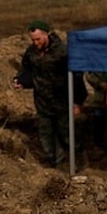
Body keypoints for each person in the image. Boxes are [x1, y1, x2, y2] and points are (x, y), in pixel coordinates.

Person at [13, 21, 84, 167]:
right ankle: (55, 163)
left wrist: (78, 101)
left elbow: (76, 77)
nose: (36, 43)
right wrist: (21, 81)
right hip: (42, 103)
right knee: (46, 136)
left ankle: (79, 161)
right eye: (33, 40)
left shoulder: (63, 52)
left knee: (66, 134)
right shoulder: (31, 52)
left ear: (46, 34)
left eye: (38, 39)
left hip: (62, 102)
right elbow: (27, 69)